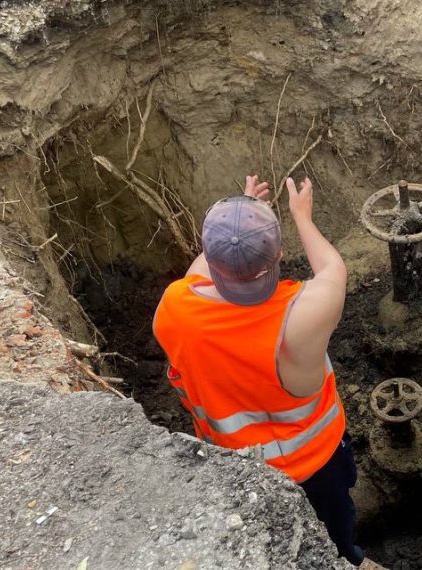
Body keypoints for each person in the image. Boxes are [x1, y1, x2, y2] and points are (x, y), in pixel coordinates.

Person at [152, 175, 364, 565]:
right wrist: (301, 216)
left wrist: (235, 225)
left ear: (211, 257)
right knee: (336, 537)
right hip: (318, 466)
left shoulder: (173, 310)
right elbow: (333, 268)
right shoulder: (304, 313)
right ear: (279, 254)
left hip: (242, 473)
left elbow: (199, 274)